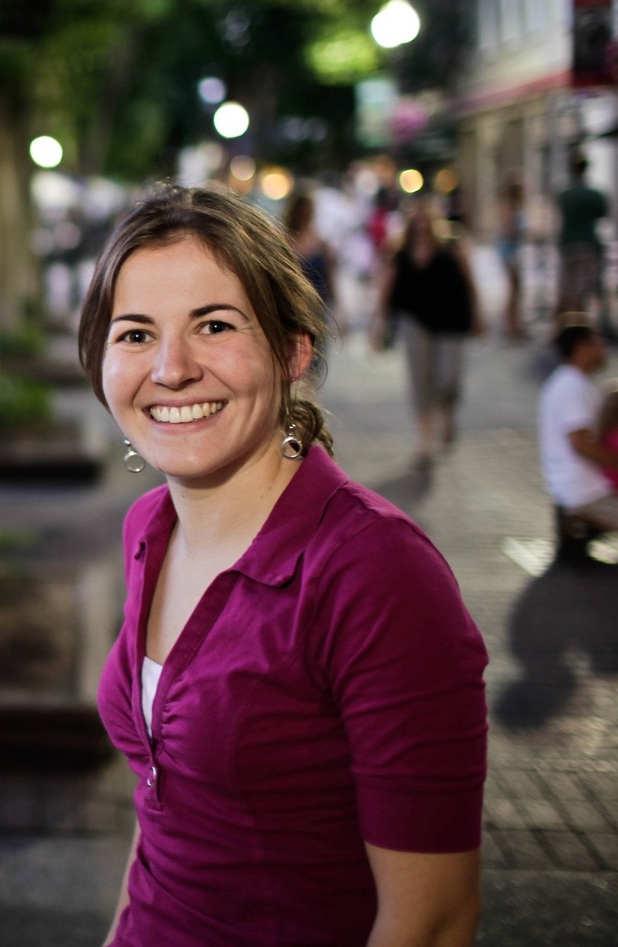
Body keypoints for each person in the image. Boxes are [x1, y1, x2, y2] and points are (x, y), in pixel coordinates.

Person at [76, 184, 488, 947]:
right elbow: (163, 808)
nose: (170, 368)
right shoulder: (150, 527)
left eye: (214, 324)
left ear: (293, 349)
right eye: (135, 334)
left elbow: (431, 919)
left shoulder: (376, 572)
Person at [373, 199, 483, 467]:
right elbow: (386, 286)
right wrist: (379, 322)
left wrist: (478, 314)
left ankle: (446, 412)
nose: (421, 224)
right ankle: (425, 439)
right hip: (414, 320)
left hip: (450, 320)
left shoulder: (452, 247)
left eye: (426, 218)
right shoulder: (401, 251)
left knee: (448, 378)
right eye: (416, 219)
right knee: (420, 379)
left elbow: (469, 281)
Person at [539, 323, 618, 546]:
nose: (604, 349)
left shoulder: (571, 382)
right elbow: (581, 443)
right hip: (586, 491)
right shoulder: (571, 386)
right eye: (598, 343)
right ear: (581, 347)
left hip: (586, 485)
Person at [554, 154, 608, 317]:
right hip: (587, 243)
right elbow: (602, 214)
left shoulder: (564, 195)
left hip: (568, 244)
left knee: (566, 289)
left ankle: (567, 327)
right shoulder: (595, 195)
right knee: (582, 291)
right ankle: (579, 327)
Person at [283, 190, 336, 314]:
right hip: (291, 304)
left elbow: (329, 274)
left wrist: (335, 303)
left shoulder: (320, 242)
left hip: (317, 304)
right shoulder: (282, 239)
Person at [497, 174, 527, 339]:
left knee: (517, 289)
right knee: (514, 289)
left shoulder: (516, 206)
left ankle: (514, 323)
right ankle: (510, 325)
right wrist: (520, 232)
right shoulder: (509, 207)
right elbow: (506, 230)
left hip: (513, 250)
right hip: (509, 251)